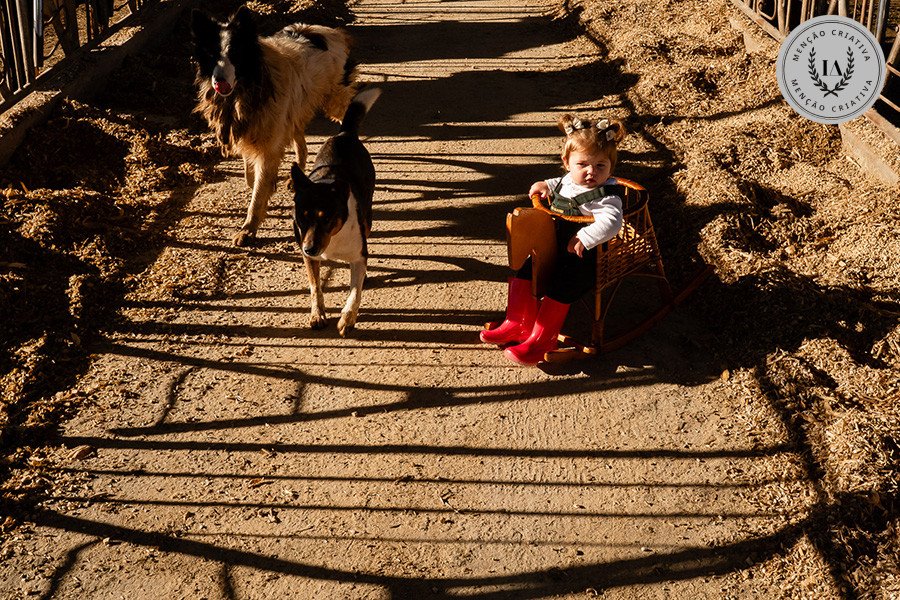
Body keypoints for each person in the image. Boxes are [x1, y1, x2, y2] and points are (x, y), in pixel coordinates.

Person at [481, 114, 627, 365]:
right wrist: (544, 185)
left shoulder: (606, 196)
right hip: (554, 246)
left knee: (562, 284)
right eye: (583, 164)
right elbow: (557, 183)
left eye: (601, 166)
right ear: (566, 162)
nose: (591, 172)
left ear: (611, 167)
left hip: (585, 257)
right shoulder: (568, 180)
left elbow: (612, 222)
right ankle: (517, 322)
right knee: (525, 270)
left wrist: (586, 235)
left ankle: (542, 338)